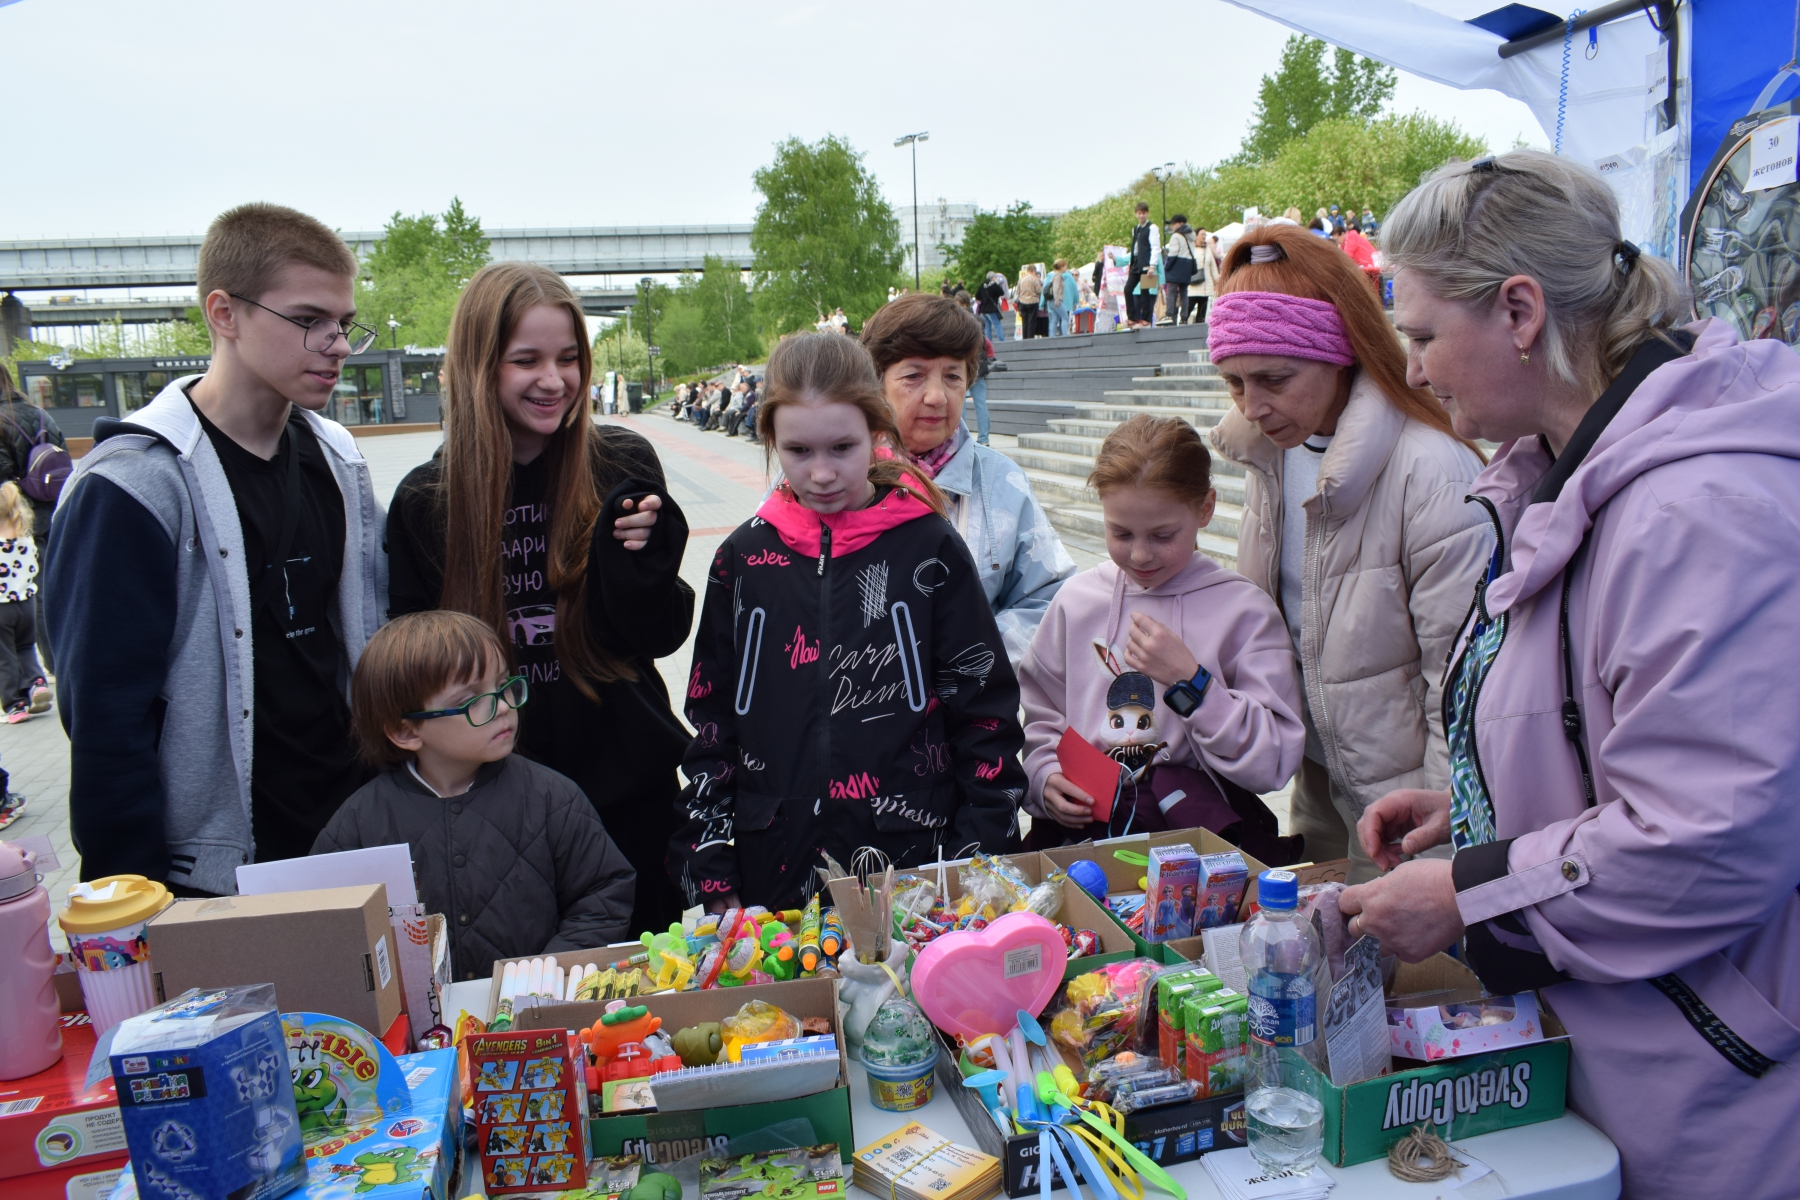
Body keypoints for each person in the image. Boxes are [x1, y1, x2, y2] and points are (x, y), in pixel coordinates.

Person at [1332, 151, 1800, 1200]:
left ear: (1520, 311)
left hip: (1719, 1087)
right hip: (1639, 1055)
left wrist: (1470, 893)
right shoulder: (1568, 473)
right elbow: (1614, 733)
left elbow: (1712, 837)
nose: (1414, 371)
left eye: (1423, 335)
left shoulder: (1696, 512)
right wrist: (1480, 810)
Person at [47, 203, 387, 895]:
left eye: (344, 323)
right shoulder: (134, 485)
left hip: (350, 833)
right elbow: (106, 720)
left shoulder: (337, 460)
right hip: (209, 871)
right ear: (224, 313)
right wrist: (134, 905)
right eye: (309, 320)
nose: (337, 345)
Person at [386, 262, 694, 932]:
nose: (554, 380)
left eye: (569, 358)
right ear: (479, 367)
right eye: (526, 360)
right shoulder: (425, 500)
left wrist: (646, 568)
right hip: (495, 812)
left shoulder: (620, 464)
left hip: (629, 796)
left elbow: (659, 636)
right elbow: (411, 673)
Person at [668, 332, 1025, 910]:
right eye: (798, 450)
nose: (822, 473)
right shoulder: (743, 560)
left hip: (916, 878)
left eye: (842, 447)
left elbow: (986, 715)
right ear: (770, 439)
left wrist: (977, 860)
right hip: (775, 877)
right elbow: (711, 725)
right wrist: (710, 871)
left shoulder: (929, 547)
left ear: (877, 431)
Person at [1207, 224, 1491, 881]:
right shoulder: (1269, 457)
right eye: (1234, 383)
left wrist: (1436, 843)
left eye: (1275, 378)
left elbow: (1461, 687)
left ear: (1341, 351)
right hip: (1318, 778)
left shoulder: (1433, 473)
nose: (1254, 407)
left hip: (1412, 807)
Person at [1019, 415, 1304, 859]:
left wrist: (1192, 681)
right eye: (1120, 533)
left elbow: (1274, 760)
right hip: (1083, 833)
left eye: (1163, 535)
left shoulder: (1244, 610)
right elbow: (1041, 711)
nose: (1140, 554)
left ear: (1205, 508)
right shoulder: (1076, 602)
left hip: (1199, 842)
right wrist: (1044, 773)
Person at [314, 610, 636, 982]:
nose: (504, 706)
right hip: (418, 1020)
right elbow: (324, 929)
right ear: (406, 732)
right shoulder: (359, 823)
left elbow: (602, 893)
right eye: (471, 700)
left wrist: (545, 975)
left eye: (503, 686)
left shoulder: (552, 796)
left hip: (534, 1007)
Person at [860, 294, 1077, 663]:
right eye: (913, 376)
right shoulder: (828, 475)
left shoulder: (1003, 482)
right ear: (877, 383)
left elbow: (1052, 599)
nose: (936, 396)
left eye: (952, 377)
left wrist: (969, 656)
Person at [0, 366, 61, 691]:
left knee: (30, 593)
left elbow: (2, 477)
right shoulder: (40, 414)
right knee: (54, 586)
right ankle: (60, 658)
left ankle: (49, 667)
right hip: (54, 510)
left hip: (19, 520)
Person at [0, 483, 48, 723]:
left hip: (2, 607)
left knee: (5, 656)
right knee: (26, 647)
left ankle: (14, 706)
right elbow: (33, 568)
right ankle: (37, 683)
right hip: (26, 603)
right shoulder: (25, 539)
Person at [1126, 203, 1161, 326]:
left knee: (1145, 290)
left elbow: (1155, 247)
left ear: (1147, 213)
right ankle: (1132, 317)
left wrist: (1152, 265)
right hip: (1136, 262)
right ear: (1136, 214)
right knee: (1128, 289)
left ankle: (1146, 319)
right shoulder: (1135, 229)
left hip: (1146, 263)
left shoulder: (1152, 228)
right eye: (1139, 213)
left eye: (1143, 213)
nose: (1141, 216)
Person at [1163, 215, 1199, 325]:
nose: (1172, 226)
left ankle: (1169, 314)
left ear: (1181, 223)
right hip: (1187, 265)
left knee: (1171, 291)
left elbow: (1173, 253)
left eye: (1174, 223)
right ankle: (1184, 317)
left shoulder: (1176, 236)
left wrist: (1167, 266)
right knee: (1184, 292)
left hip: (1177, 264)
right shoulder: (1191, 236)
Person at [1185, 231, 1218, 325]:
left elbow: (1213, 266)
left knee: (1201, 315)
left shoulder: (1207, 249)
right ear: (1196, 235)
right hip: (1193, 285)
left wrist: (1216, 281)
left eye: (1205, 234)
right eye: (1202, 234)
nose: (1204, 236)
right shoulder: (1190, 248)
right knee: (1187, 310)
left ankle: (1198, 331)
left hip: (1206, 286)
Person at [1046, 259, 1077, 337]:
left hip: (1050, 301)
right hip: (1057, 300)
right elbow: (1055, 288)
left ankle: (1052, 336)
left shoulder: (1053, 275)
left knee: (1055, 319)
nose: (1066, 267)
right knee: (1065, 317)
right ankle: (1065, 336)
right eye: (1065, 266)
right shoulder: (1058, 276)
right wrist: (1057, 299)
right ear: (1062, 267)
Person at [977, 272, 1007, 342]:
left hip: (983, 310)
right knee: (997, 325)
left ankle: (989, 342)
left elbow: (977, 296)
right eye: (995, 277)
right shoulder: (993, 284)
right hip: (991, 309)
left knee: (987, 327)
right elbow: (1002, 292)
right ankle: (1002, 340)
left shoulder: (982, 285)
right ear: (993, 277)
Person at [1016, 265, 1044, 340]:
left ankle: (1024, 338)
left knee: (1024, 321)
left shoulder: (1021, 279)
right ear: (1034, 271)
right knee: (1031, 321)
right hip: (1033, 301)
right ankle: (1030, 338)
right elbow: (1039, 290)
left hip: (1022, 302)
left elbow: (1017, 291)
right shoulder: (1035, 279)